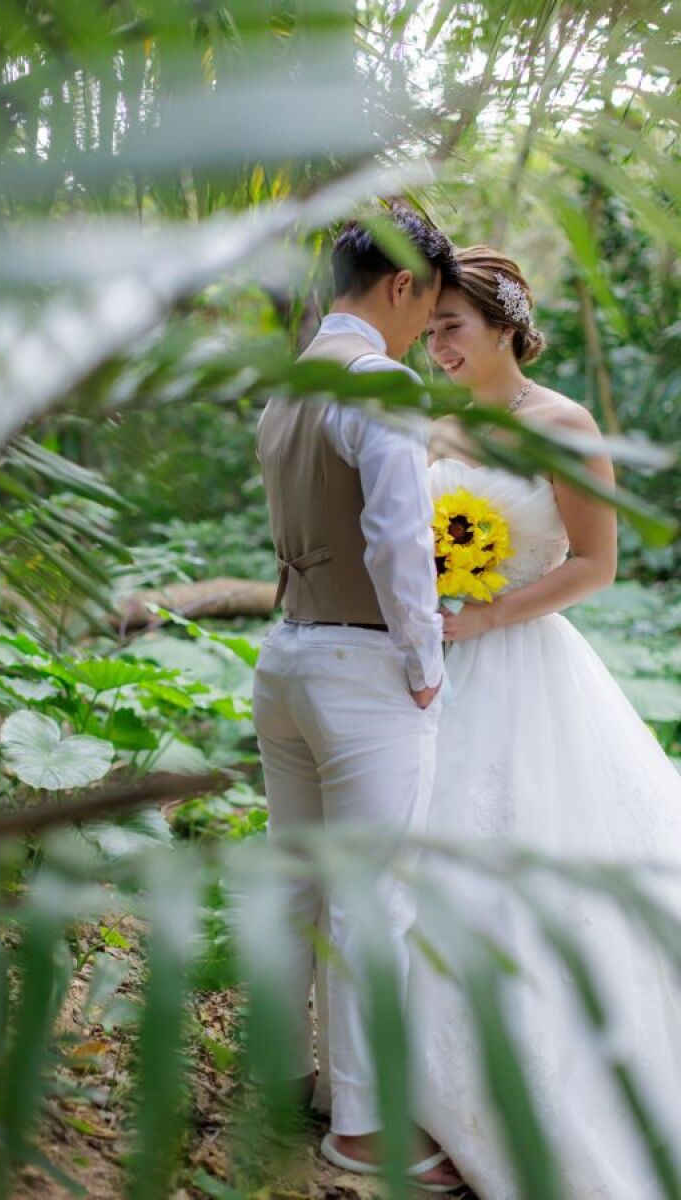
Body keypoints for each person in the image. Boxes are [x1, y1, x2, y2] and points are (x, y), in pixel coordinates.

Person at [418, 244, 681, 1198]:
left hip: (524, 663)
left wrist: (485, 613)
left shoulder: (563, 424)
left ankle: (510, 1096)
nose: (437, 344)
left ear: (503, 326)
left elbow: (595, 564)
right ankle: (411, 1090)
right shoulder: (439, 425)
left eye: (451, 326)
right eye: (431, 328)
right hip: (436, 668)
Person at [252, 206, 468, 1191]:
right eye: (427, 308)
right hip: (358, 672)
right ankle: (364, 1132)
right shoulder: (379, 384)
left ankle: (285, 1081)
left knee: (297, 889)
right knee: (368, 902)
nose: (425, 329)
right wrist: (422, 661)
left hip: (285, 658)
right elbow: (393, 540)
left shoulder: (286, 390)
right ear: (399, 287)